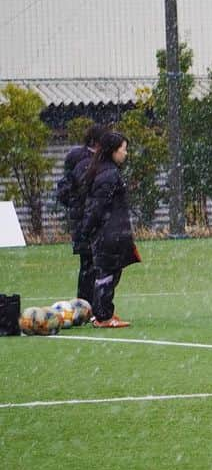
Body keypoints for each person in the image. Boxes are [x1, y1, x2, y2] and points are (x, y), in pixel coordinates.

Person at [80, 131, 139, 328]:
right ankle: (103, 316)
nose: (126, 153)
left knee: (110, 272)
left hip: (111, 232)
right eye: (123, 149)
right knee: (107, 274)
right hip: (109, 233)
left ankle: (104, 312)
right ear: (113, 151)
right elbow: (97, 207)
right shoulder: (108, 175)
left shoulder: (105, 171)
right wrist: (87, 231)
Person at [56, 123, 107, 304]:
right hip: (87, 219)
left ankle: (85, 303)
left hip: (82, 218)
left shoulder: (77, 159)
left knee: (88, 264)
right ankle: (89, 303)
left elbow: (66, 190)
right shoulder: (87, 162)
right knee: (92, 263)